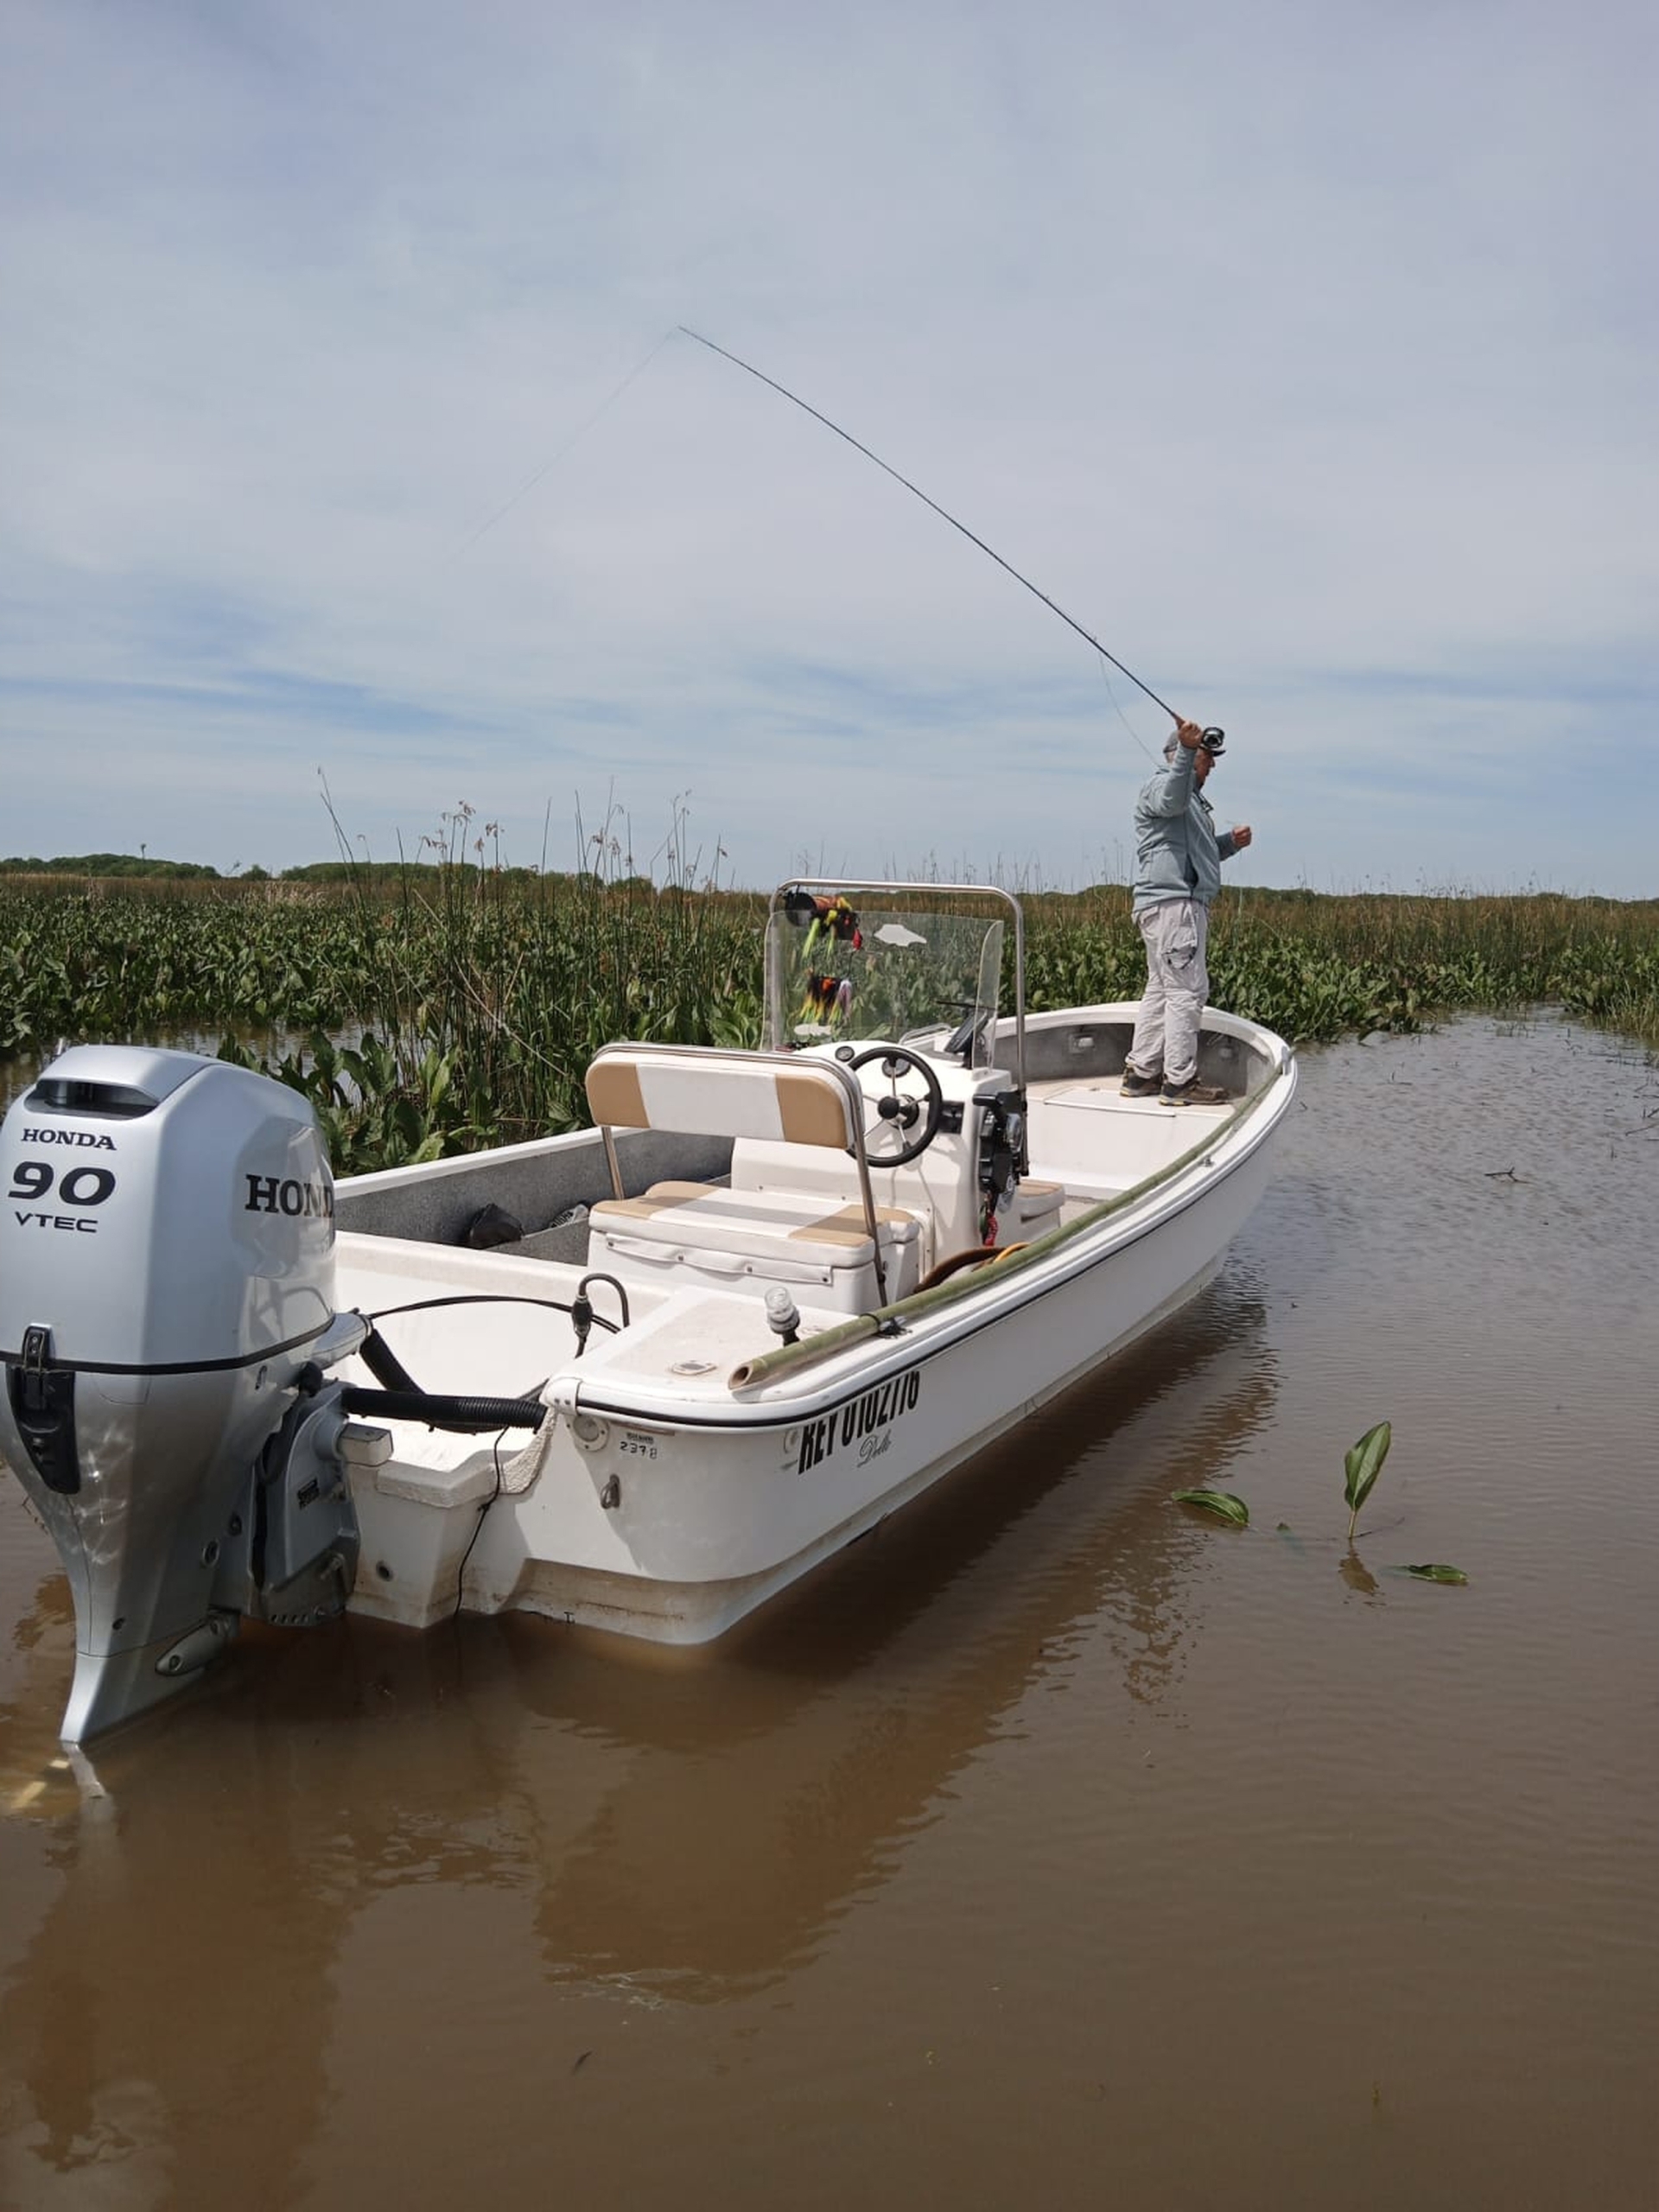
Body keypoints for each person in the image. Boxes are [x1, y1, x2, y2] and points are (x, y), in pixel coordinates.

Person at [1121, 719, 1253, 1105]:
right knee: (1187, 992)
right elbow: (1169, 801)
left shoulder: (1192, 802)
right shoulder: (1162, 786)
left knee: (1162, 989)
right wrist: (1185, 750)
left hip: (1167, 907)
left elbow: (1198, 851)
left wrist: (1230, 844)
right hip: (1175, 908)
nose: (1211, 766)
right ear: (1185, 756)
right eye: (1206, 758)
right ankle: (1180, 1081)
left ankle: (1142, 1073)